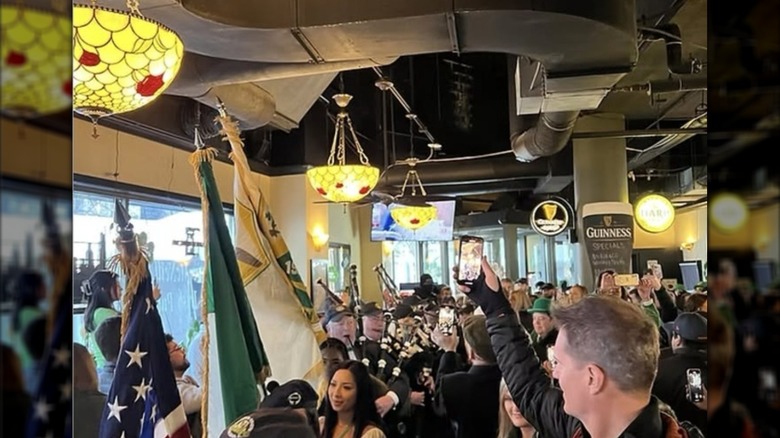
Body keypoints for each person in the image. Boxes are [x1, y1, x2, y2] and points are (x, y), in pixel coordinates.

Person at [454, 256, 692, 438]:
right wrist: (494, 306)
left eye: (560, 363)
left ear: (592, 378)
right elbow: (528, 387)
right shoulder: (581, 426)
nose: (555, 373)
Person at [321, 360, 386, 438]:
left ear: (360, 392)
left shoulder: (371, 434)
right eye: (333, 384)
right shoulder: (320, 425)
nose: (336, 393)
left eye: (346, 387)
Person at [81, 270, 121, 368]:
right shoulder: (104, 314)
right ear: (104, 289)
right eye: (116, 285)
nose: (121, 288)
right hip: (112, 369)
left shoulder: (95, 313)